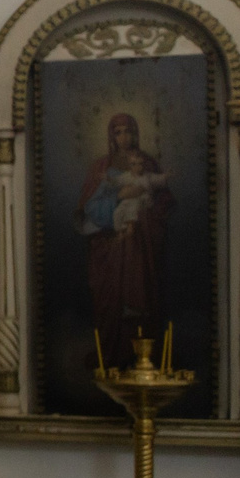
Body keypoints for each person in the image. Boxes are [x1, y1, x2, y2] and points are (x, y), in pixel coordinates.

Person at [79, 111, 171, 359]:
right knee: (110, 303)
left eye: (128, 131)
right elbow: (88, 207)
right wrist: (119, 199)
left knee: (141, 302)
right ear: (111, 136)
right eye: (118, 132)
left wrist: (144, 215)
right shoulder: (102, 167)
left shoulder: (148, 164)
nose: (124, 137)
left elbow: (164, 203)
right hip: (108, 244)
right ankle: (110, 353)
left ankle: (142, 358)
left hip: (142, 247)